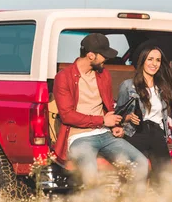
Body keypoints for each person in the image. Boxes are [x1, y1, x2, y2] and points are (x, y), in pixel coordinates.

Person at [53, 33, 149, 190]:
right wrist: (103, 121)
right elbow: (67, 115)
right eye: (104, 55)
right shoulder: (64, 77)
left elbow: (108, 106)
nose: (107, 59)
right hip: (78, 137)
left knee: (141, 162)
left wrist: (114, 125)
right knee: (91, 175)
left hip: (104, 133)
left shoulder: (103, 74)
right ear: (91, 55)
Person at [116, 44, 172, 184]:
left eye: (158, 60)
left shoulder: (163, 87)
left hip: (157, 132)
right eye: (150, 59)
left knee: (164, 178)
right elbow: (117, 116)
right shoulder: (127, 85)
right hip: (135, 132)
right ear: (142, 60)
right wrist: (128, 117)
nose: (154, 63)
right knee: (135, 177)